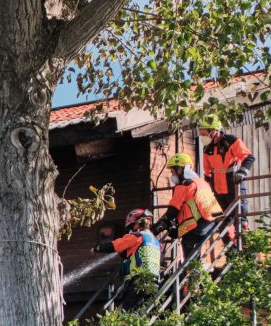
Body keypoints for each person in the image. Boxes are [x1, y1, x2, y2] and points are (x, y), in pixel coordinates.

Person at [156, 151, 225, 281]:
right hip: (211, 223)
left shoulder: (184, 185)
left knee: (188, 251)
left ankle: (192, 282)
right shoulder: (202, 183)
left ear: (180, 169)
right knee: (192, 251)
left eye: (173, 171)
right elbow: (191, 207)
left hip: (197, 226)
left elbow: (172, 211)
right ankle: (196, 277)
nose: (172, 175)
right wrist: (176, 229)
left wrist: (156, 228)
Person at [93, 208, 161, 311]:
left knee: (129, 313)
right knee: (145, 312)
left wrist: (98, 248)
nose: (131, 230)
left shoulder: (137, 236)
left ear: (137, 224)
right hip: (153, 283)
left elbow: (117, 245)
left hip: (137, 283)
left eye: (132, 226)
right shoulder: (155, 241)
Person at [199, 120, 255, 234]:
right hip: (218, 193)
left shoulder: (231, 141)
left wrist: (242, 172)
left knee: (240, 221)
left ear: (214, 131)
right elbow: (207, 173)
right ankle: (231, 246)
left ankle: (245, 243)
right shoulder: (207, 149)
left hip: (234, 188)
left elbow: (249, 157)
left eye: (204, 133)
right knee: (221, 224)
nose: (202, 136)